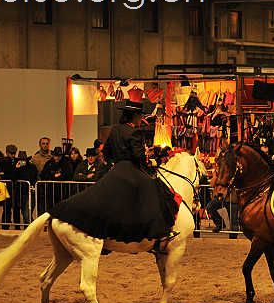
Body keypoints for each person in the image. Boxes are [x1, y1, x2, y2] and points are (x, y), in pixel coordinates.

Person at [48, 98, 181, 250]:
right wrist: (151, 162)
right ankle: (161, 233)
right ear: (135, 116)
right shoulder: (135, 131)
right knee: (156, 188)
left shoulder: (116, 129)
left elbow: (106, 152)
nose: (141, 120)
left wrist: (115, 164)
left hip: (117, 169)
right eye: (140, 117)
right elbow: (138, 157)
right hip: (131, 170)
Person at [39, 146, 74, 212]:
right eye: (56, 155)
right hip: (50, 191)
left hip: (63, 191)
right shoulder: (49, 163)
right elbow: (43, 174)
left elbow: (68, 175)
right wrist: (54, 176)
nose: (57, 157)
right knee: (50, 208)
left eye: (59, 156)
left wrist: (55, 176)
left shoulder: (66, 163)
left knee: (62, 208)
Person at [12, 150, 37, 226]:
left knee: (26, 214)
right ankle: (28, 228)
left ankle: (31, 228)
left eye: (24, 160)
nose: (23, 161)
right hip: (19, 192)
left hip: (29, 192)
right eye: (21, 160)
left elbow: (35, 177)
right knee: (24, 212)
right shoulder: (16, 167)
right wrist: (16, 169)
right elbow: (13, 178)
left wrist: (33, 186)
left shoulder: (32, 167)